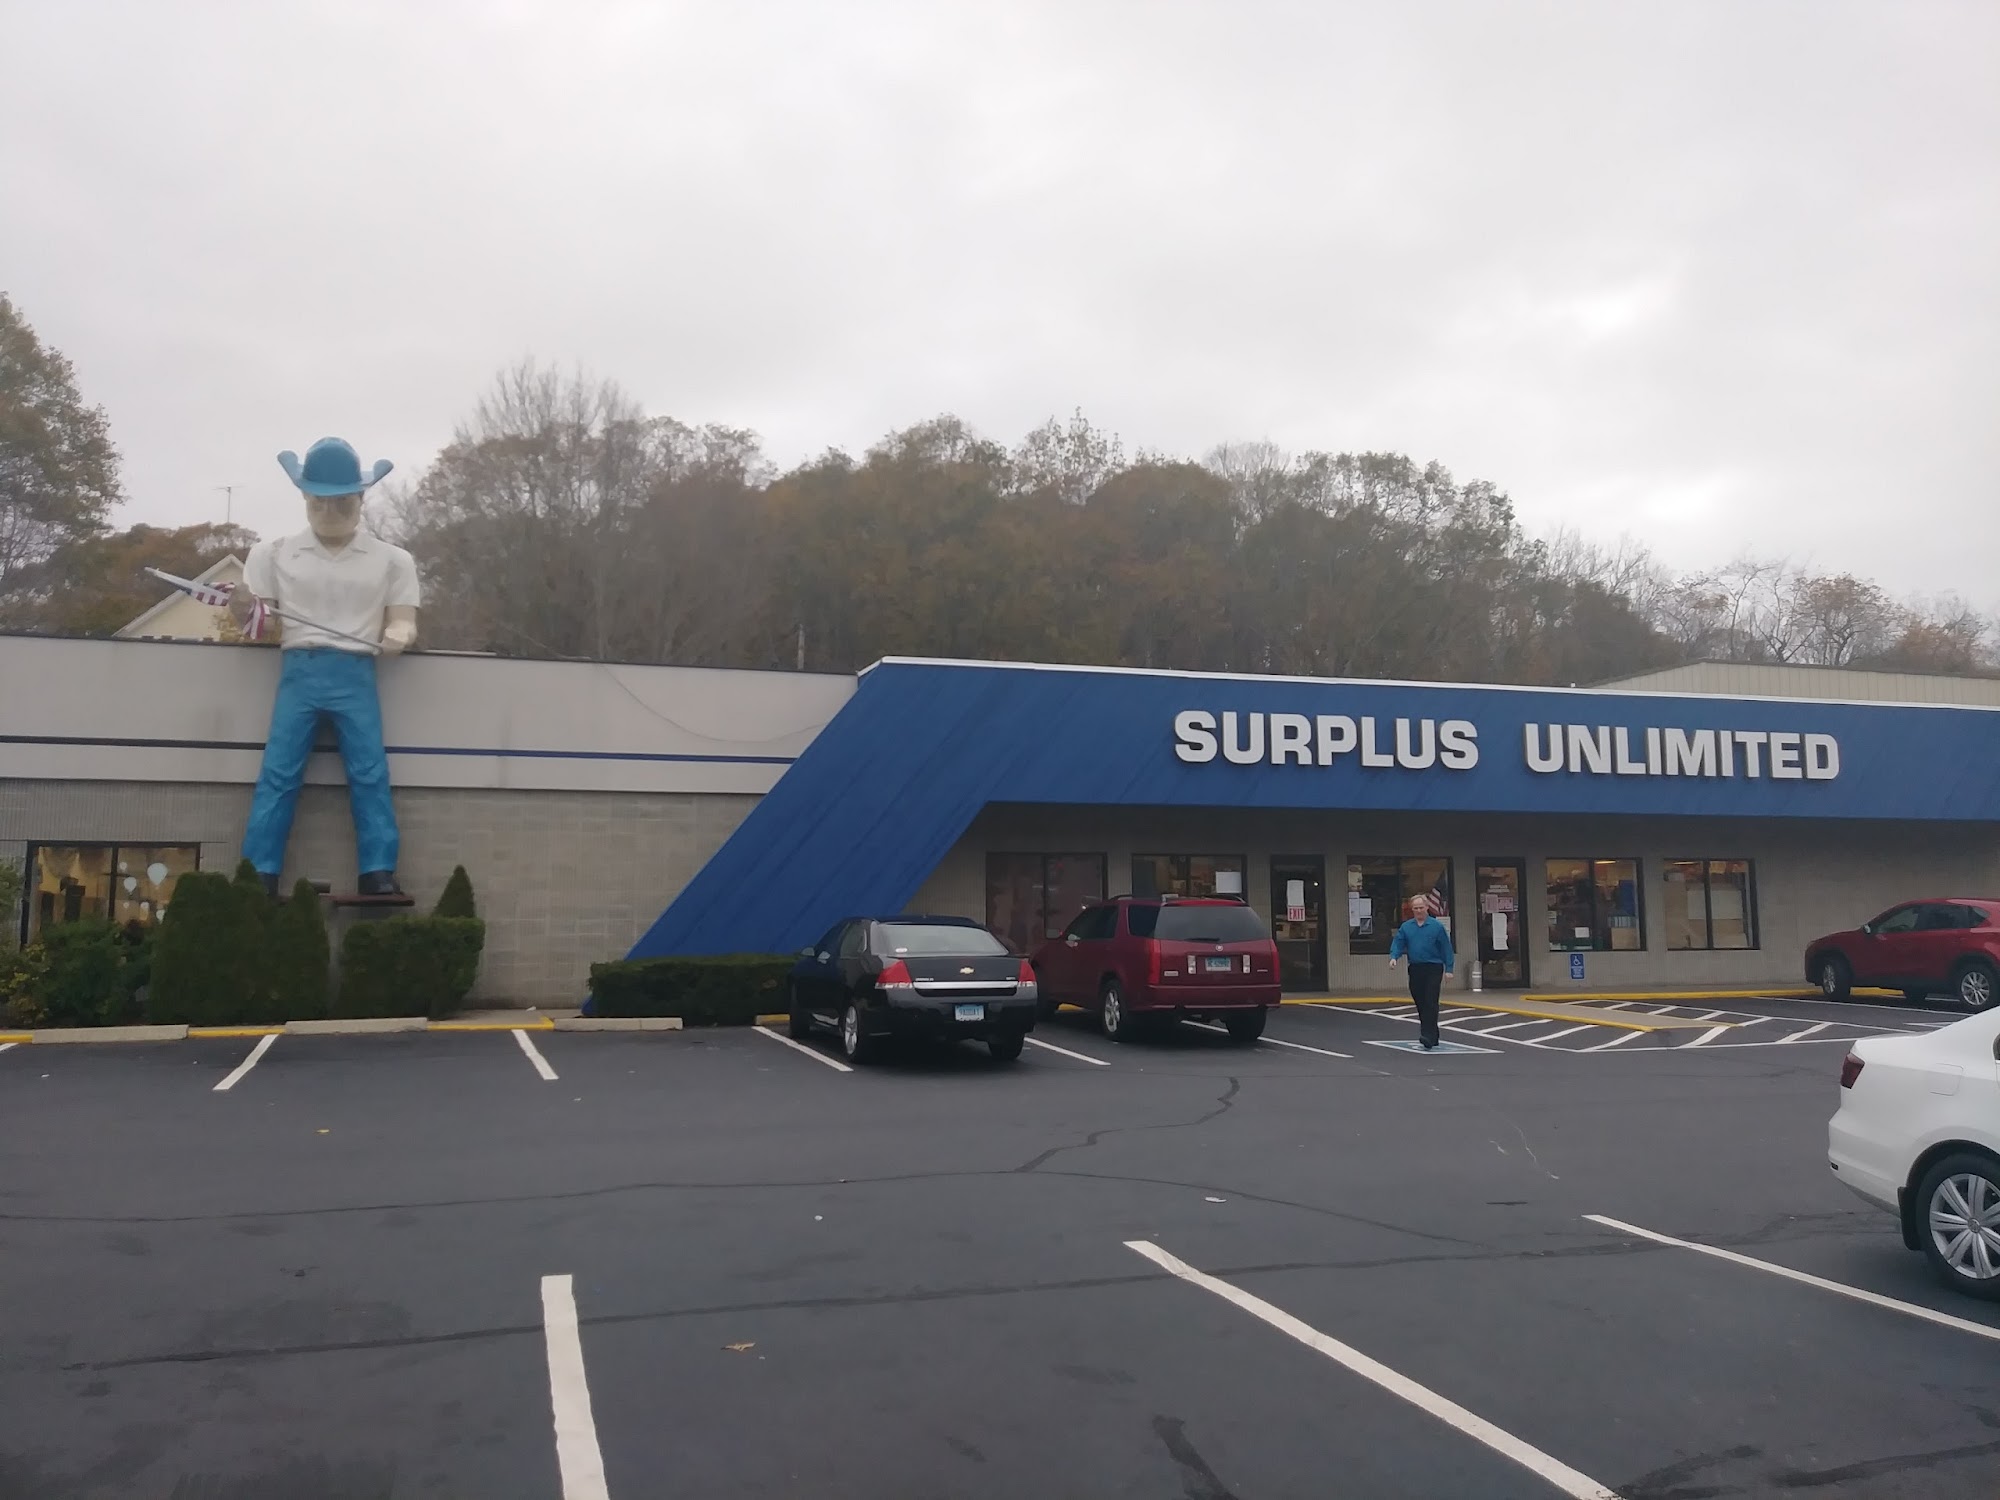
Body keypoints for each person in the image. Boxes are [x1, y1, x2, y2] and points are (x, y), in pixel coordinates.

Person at [231, 437, 421, 898]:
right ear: (303, 496)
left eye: (341, 501)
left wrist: (398, 635)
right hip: (301, 666)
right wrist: (242, 609)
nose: (330, 510)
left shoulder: (393, 560)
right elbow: (261, 624)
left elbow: (403, 621)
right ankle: (259, 869)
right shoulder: (273, 554)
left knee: (370, 772)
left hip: (356, 670)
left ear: (361, 498)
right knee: (279, 771)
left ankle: (378, 869)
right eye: (319, 500)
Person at [1388, 894, 1455, 1049]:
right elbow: (1398, 943)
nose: (1418, 911)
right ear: (1412, 910)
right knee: (1420, 1001)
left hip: (1433, 967)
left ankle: (1428, 1036)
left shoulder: (1436, 926)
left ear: (1427, 908)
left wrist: (1449, 969)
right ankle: (1433, 1034)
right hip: (1416, 967)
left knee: (1431, 1001)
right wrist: (1394, 957)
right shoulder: (1406, 927)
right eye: (1415, 908)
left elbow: (1446, 948)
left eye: (1421, 907)